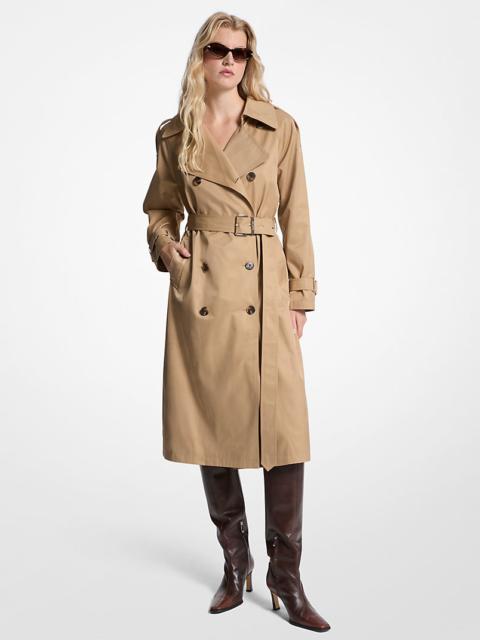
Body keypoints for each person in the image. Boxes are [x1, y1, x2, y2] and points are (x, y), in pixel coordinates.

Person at [142, 11, 331, 633]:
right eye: (218, 50)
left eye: (241, 53)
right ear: (200, 57)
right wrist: (170, 250)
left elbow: (296, 213)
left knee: (283, 432)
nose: (229, 61)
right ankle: (236, 562)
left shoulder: (279, 127)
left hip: (264, 285)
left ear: (250, 62)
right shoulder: (177, 134)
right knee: (212, 423)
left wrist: (300, 294)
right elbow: (159, 210)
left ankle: (286, 577)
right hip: (203, 290)